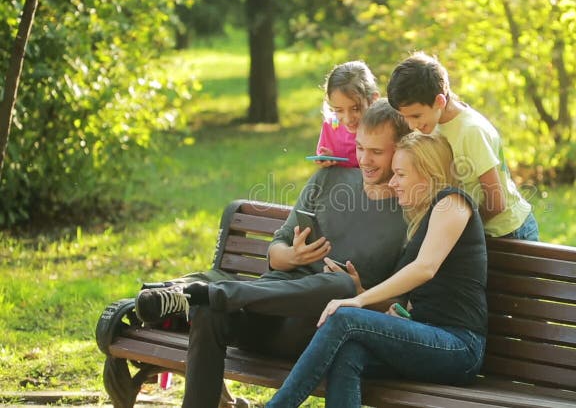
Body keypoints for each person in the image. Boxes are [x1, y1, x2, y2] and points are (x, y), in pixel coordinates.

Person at [133, 101, 411, 408]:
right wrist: (292, 257)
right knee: (207, 312)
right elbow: (276, 252)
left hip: (316, 334)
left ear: (400, 149)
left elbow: (406, 305)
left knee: (341, 287)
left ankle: (207, 293)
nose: (364, 160)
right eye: (360, 148)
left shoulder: (411, 211)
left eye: (376, 152)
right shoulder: (328, 179)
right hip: (264, 314)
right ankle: (209, 297)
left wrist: (361, 293)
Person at [266, 132, 488, 408]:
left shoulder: (453, 202)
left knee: (345, 317)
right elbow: (413, 297)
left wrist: (358, 300)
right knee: (347, 352)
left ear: (430, 173)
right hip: (427, 338)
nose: (393, 183)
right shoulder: (420, 221)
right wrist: (362, 291)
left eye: (401, 174)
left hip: (459, 346)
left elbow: (425, 268)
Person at [387, 51, 540, 241]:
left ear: (439, 101)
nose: (411, 125)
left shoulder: (471, 131)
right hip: (477, 228)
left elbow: (496, 202)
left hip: (509, 231)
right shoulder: (432, 125)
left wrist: (458, 227)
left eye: (416, 116)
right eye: (405, 117)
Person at [314, 61, 380, 168]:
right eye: (339, 110)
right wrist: (327, 160)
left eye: (355, 109)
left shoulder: (384, 127)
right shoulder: (331, 126)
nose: (348, 119)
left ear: (373, 99)